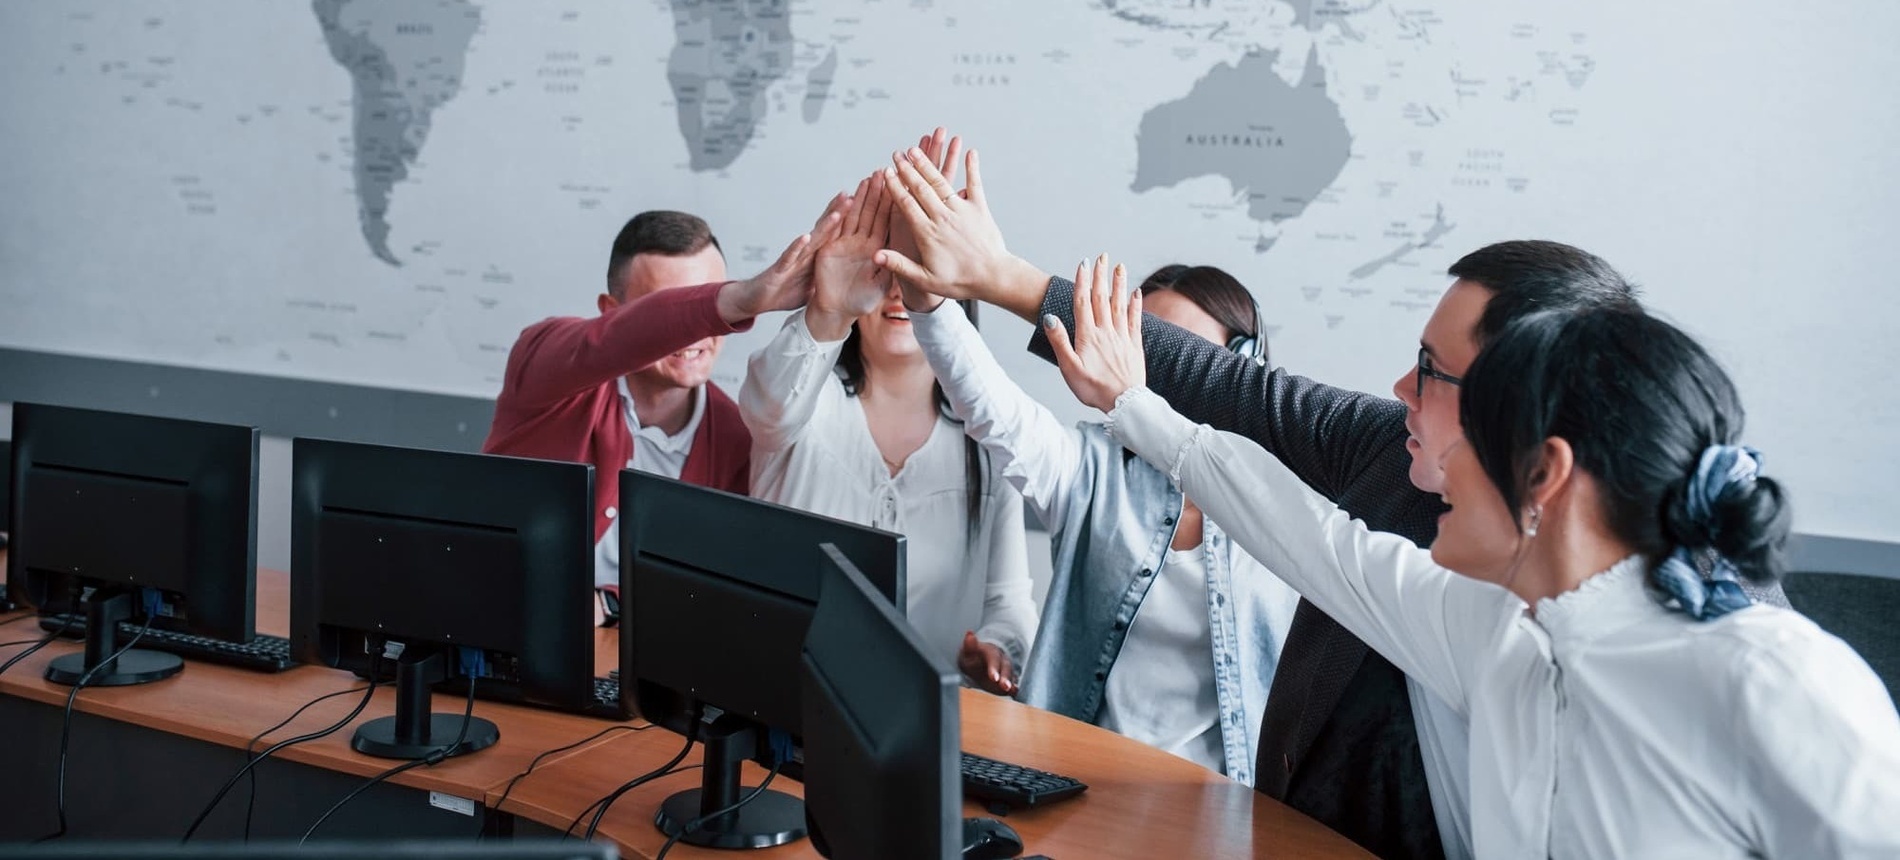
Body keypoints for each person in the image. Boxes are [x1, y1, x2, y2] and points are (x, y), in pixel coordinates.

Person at [1045, 261, 1900, 857]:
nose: (1430, 463)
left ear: (1545, 474)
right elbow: (1306, 535)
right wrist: (1129, 403)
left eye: (1461, 428)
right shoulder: (1490, 630)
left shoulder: (1772, 678)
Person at [904, 260, 1297, 781]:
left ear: (1241, 366)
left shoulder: (1286, 502)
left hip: (1228, 805)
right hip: (1081, 785)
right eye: (1141, 349)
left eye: (1178, 354)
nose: (1153, 374)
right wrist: (927, 302)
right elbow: (992, 409)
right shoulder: (1089, 466)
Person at [740, 173, 1036, 692]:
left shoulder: (989, 445)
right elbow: (768, 406)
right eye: (885, 270)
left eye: (919, 270)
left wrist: (994, 653)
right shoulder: (809, 402)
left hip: (932, 724)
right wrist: (826, 311)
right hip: (790, 706)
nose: (899, 292)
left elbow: (1009, 608)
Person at [483, 205, 841, 623]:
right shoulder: (542, 368)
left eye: (710, 294)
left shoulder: (740, 440)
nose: (699, 333)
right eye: (676, 310)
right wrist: (741, 299)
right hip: (490, 644)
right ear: (612, 312)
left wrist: (610, 603)